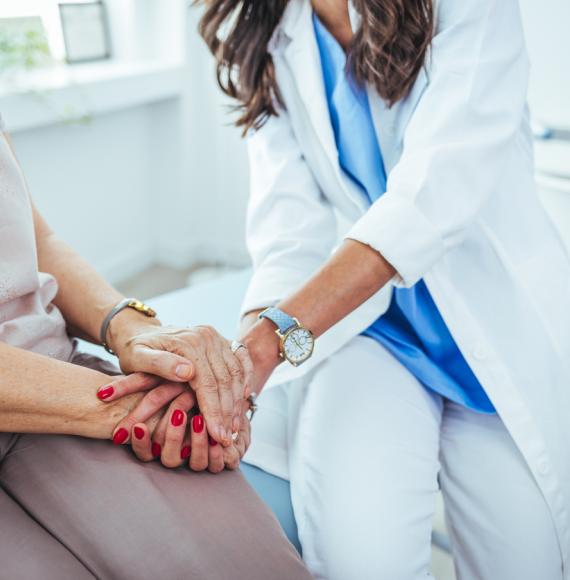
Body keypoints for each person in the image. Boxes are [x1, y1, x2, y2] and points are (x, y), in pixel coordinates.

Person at [193, 0, 570, 578]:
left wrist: (269, 344)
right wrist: (237, 364)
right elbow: (288, 229)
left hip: (489, 335)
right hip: (366, 332)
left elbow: (432, 195)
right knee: (360, 556)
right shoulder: (267, 32)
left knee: (525, 562)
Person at [0, 115, 311, 580]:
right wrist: (138, 406)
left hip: (55, 367)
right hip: (74, 398)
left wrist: (132, 330)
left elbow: (37, 241)